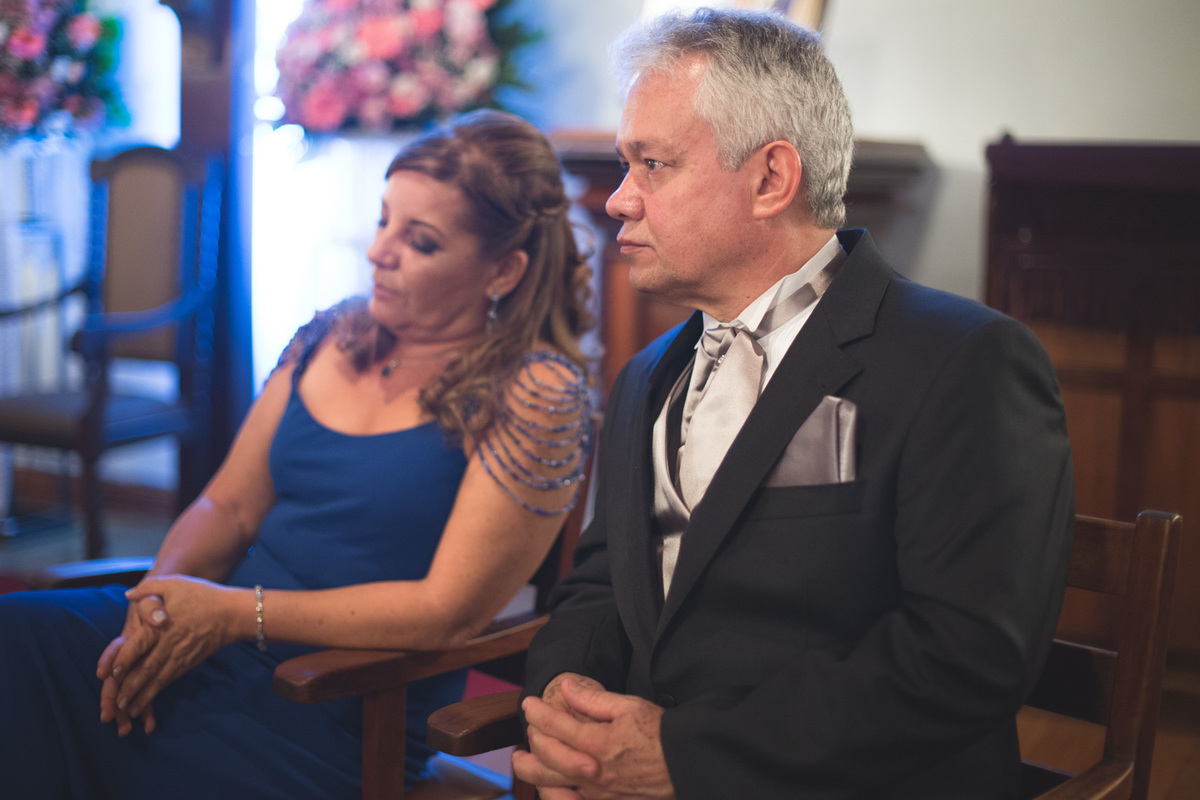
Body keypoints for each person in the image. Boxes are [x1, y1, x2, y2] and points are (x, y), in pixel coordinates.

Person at [513, 9, 1074, 800]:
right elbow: (601, 585)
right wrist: (567, 715)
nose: (619, 200)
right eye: (623, 165)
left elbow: (965, 654)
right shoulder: (646, 377)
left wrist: (684, 757)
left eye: (653, 165)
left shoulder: (964, 361)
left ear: (771, 179)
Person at [0, 109, 594, 799]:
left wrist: (233, 614)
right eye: (383, 221)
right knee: (17, 639)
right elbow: (228, 504)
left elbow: (447, 611)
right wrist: (156, 610)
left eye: (421, 241)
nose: (378, 252)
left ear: (503, 269)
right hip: (210, 639)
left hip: (334, 703)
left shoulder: (536, 392)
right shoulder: (335, 335)